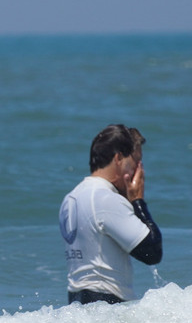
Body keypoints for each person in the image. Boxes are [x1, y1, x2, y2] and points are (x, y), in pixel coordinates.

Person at [59, 124, 162, 304]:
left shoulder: (71, 198)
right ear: (119, 158)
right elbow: (152, 252)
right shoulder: (105, 199)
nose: (140, 170)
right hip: (107, 305)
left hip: (77, 304)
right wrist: (138, 201)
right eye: (136, 161)